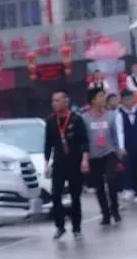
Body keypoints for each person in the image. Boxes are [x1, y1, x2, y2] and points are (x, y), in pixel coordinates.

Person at [43, 88, 89, 238]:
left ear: (66, 101)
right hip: (59, 162)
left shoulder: (76, 119)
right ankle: (60, 226)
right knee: (56, 194)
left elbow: (85, 141)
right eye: (53, 101)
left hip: (75, 161)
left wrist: (85, 160)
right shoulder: (50, 121)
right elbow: (48, 144)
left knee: (75, 196)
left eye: (57, 100)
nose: (54, 104)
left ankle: (77, 227)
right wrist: (46, 163)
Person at [83, 86, 122, 226]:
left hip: (109, 152)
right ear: (93, 100)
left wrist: (119, 150)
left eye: (103, 95)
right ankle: (105, 214)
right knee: (99, 187)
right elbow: (84, 140)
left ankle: (115, 210)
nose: (103, 98)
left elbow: (115, 135)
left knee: (112, 181)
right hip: (94, 156)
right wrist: (85, 158)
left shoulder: (111, 115)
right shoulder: (85, 118)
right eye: (100, 96)